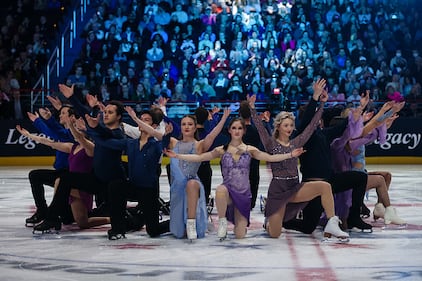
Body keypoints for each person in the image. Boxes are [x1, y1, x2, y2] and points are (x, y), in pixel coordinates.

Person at [165, 117, 305, 240]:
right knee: (221, 189)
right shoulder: (222, 149)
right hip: (227, 193)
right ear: (230, 131)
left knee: (239, 235)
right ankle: (222, 222)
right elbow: (200, 157)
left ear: (243, 131)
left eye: (239, 128)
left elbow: (271, 158)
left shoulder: (250, 149)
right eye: (234, 128)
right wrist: (178, 156)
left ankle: (240, 225)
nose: (237, 131)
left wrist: (290, 155)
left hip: (243, 195)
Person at [248, 80, 349, 240]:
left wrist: (321, 104)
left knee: (324, 186)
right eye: (286, 125)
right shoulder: (271, 144)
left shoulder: (296, 142)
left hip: (294, 187)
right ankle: (269, 222)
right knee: (275, 234)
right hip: (278, 191)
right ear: (279, 126)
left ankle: (332, 222)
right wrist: (252, 109)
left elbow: (312, 125)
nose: (289, 128)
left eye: (291, 125)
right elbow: (261, 129)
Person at [32, 84, 126, 233]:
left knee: (118, 220)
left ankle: (129, 218)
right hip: (96, 179)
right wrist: (72, 99)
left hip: (110, 184)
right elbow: (88, 119)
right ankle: (51, 218)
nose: (106, 114)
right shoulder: (103, 131)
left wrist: (88, 123)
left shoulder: (117, 133)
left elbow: (96, 127)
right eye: (105, 111)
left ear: (119, 116)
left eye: (111, 112)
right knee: (65, 179)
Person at [283, 86, 371, 234]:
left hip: (330, 181)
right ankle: (281, 220)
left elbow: (345, 125)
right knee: (308, 227)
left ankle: (354, 217)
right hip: (313, 185)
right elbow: (306, 122)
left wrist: (361, 107)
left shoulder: (324, 134)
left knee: (361, 177)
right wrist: (315, 98)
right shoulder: (303, 137)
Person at [16, 115, 110, 229]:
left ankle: (52, 216)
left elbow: (81, 139)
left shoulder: (91, 147)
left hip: (82, 188)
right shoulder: (72, 147)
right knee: (78, 222)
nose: (74, 131)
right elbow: (49, 142)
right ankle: (113, 218)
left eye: (77, 128)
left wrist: (71, 125)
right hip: (70, 185)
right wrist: (29, 135)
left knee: (82, 222)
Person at [94, 107, 171, 240]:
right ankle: (117, 229)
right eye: (141, 120)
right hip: (133, 187)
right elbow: (107, 142)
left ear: (154, 126)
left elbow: (164, 140)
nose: (141, 122)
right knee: (115, 185)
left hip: (148, 191)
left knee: (153, 230)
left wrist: (167, 134)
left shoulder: (157, 145)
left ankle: (180, 222)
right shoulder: (131, 143)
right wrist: (89, 129)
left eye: (146, 120)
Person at [165, 108, 231, 240]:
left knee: (192, 184)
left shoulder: (199, 145)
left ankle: (191, 224)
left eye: (190, 124)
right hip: (177, 188)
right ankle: (184, 225)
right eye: (184, 124)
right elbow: (154, 133)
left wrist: (223, 119)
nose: (186, 127)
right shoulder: (173, 142)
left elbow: (212, 135)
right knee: (178, 233)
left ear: (195, 127)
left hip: (193, 183)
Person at [24, 103, 75, 226]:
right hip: (61, 172)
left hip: (71, 175)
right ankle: (42, 210)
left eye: (63, 113)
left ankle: (51, 214)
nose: (60, 115)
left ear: (72, 117)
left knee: (67, 217)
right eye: (60, 113)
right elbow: (55, 132)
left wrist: (40, 121)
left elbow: (55, 133)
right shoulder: (65, 132)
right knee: (35, 175)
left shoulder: (74, 133)